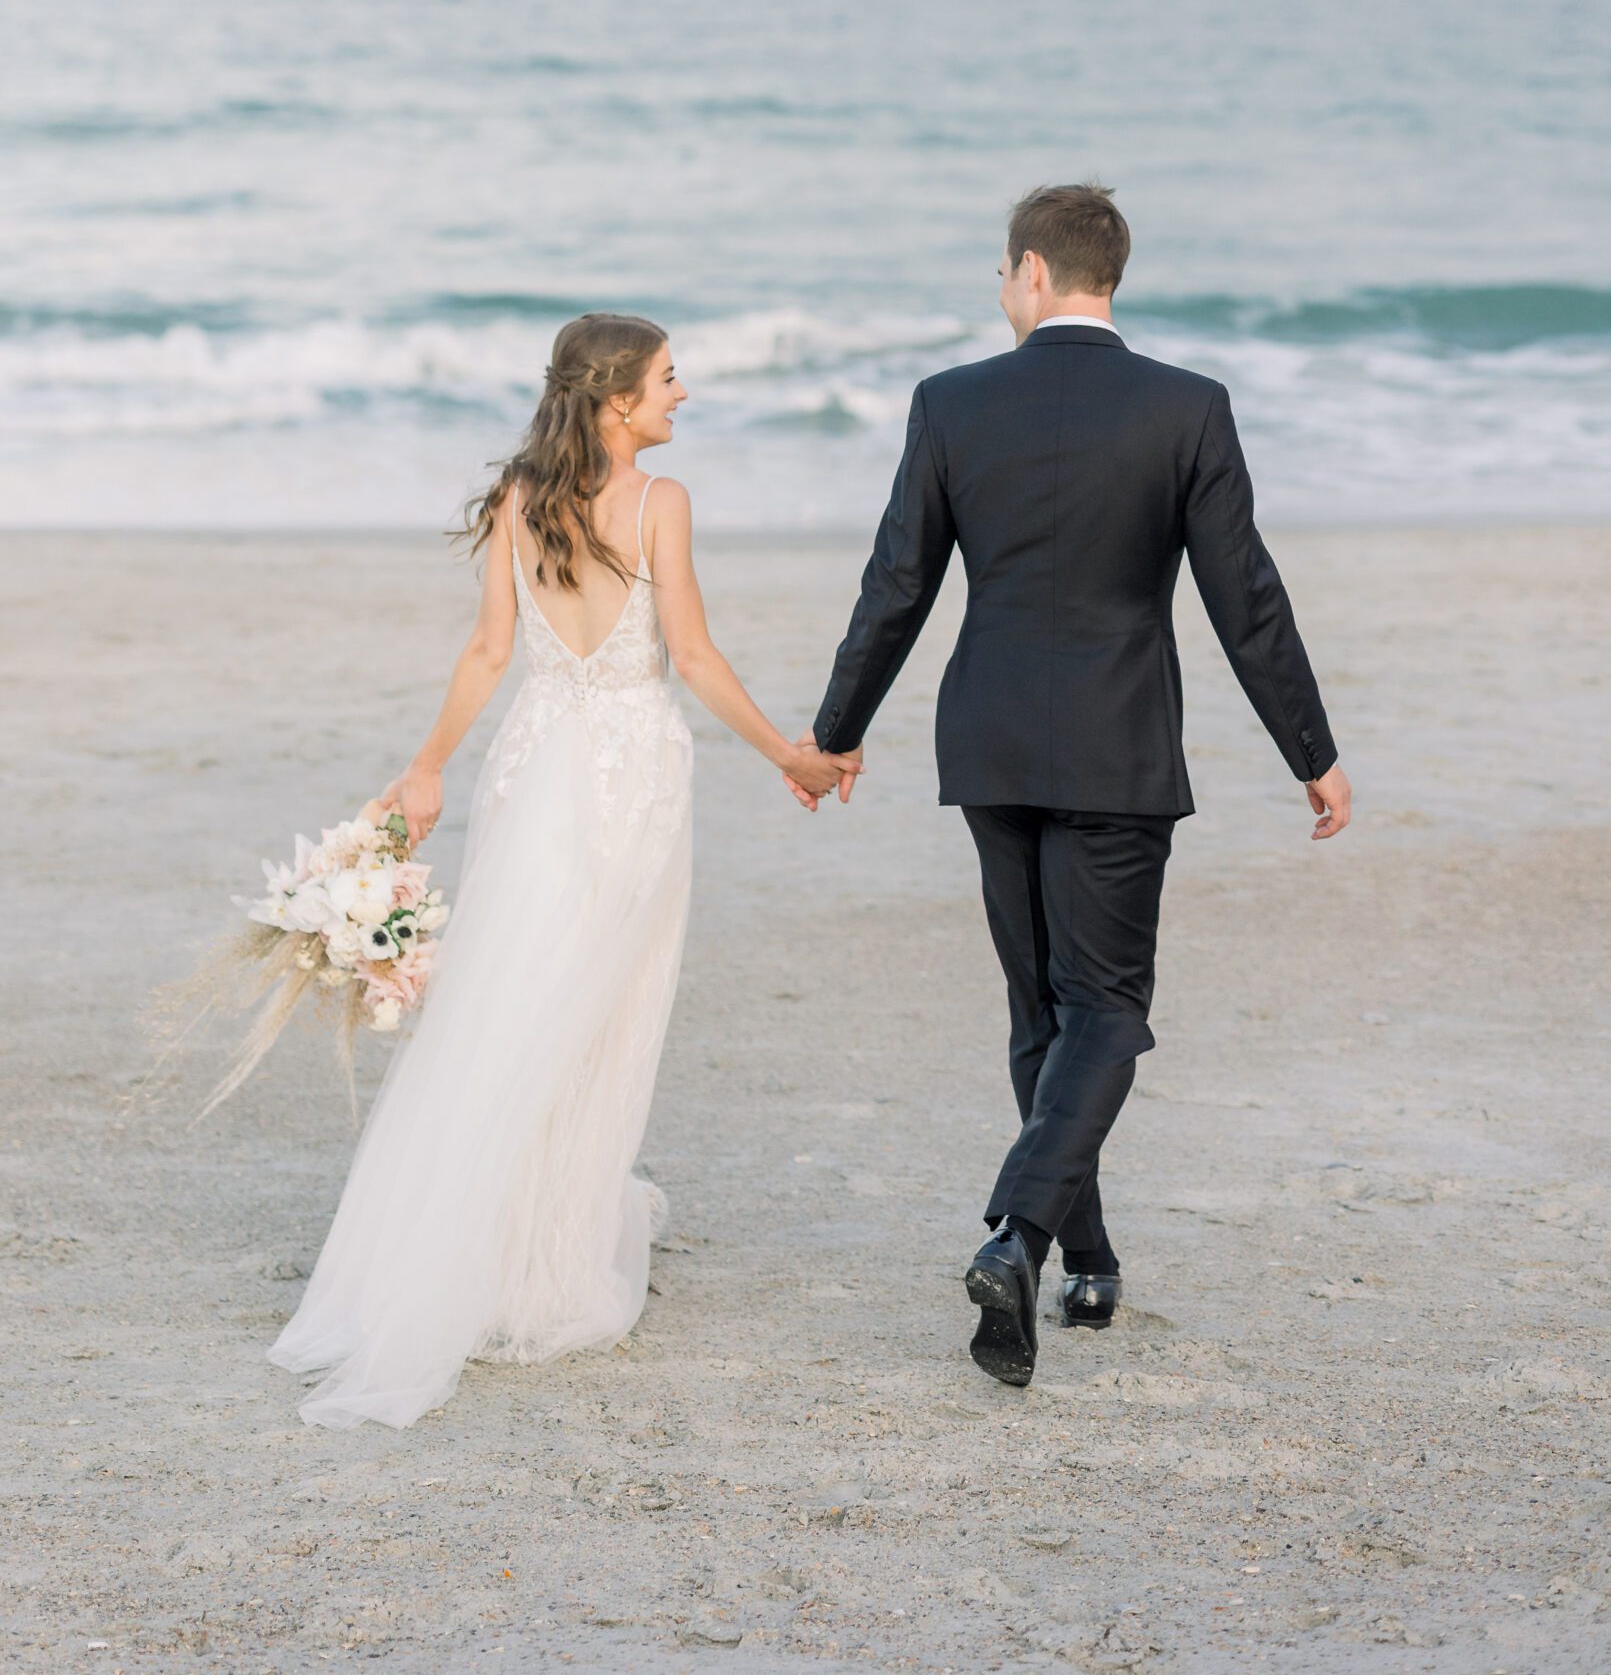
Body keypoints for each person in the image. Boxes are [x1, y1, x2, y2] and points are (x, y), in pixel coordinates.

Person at [800, 184, 1351, 1387]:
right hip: (1118, 748)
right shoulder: (1186, 408)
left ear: (1036, 271)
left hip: (990, 741)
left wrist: (836, 731)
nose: (1002, 296)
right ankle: (1023, 1233)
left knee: (1041, 1010)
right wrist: (1310, 749)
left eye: (1004, 276)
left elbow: (897, 585)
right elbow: (1243, 595)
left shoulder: (949, 403)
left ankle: (1081, 1255)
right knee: (1104, 1008)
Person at [270, 311, 854, 1427]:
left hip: (533, 768)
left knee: (511, 998)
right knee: (600, 1010)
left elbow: (491, 650)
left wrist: (427, 766)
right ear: (617, 399)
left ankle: (474, 1245)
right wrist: (790, 752)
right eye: (668, 380)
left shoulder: (517, 499)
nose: (682, 395)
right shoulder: (659, 504)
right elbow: (689, 655)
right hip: (630, 776)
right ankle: (545, 1266)